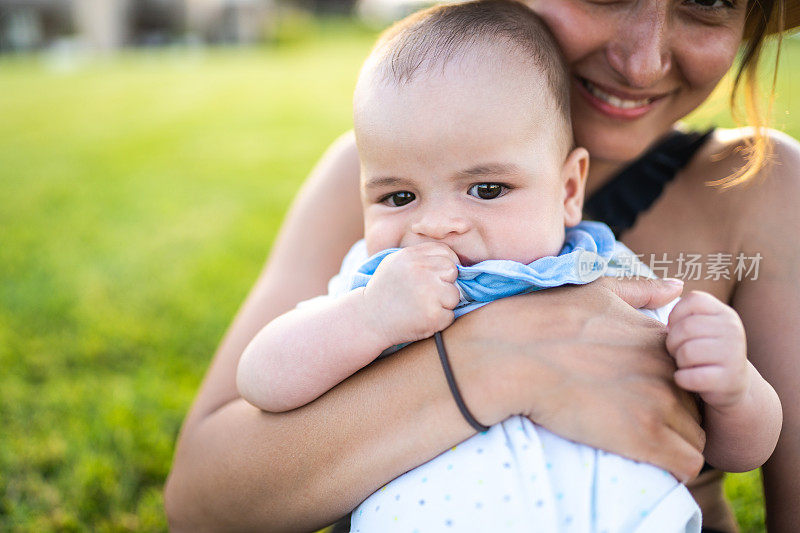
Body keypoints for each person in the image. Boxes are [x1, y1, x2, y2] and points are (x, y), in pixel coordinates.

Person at [164, 1, 800, 531]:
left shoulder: (751, 199)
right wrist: (489, 363)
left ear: (569, 187)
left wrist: (735, 386)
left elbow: (748, 440)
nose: (643, 60)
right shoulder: (370, 222)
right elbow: (203, 502)